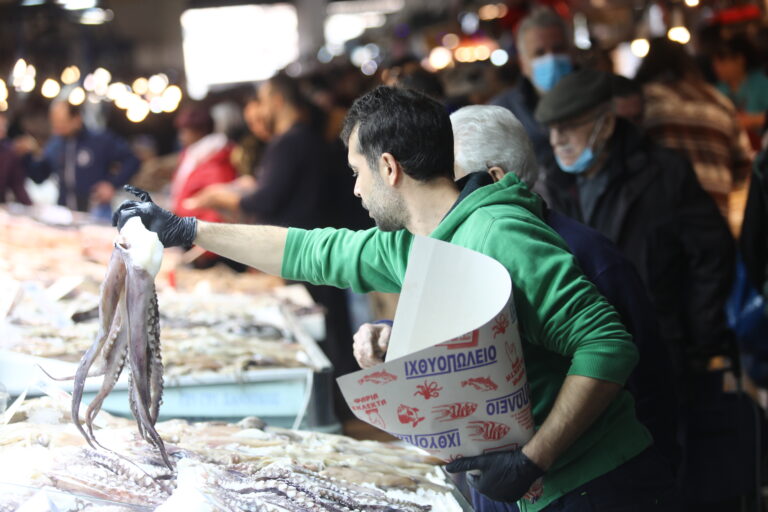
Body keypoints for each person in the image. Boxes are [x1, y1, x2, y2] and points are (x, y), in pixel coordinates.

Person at [115, 86, 677, 511]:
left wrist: (536, 457)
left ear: (390, 168)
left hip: (590, 483)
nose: (355, 189)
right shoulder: (415, 242)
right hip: (521, 485)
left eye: (358, 172)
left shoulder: (499, 234)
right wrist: (188, 230)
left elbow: (607, 345)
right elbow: (310, 252)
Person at [354, 105, 680, 480]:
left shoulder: (585, 254)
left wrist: (537, 459)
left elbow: (640, 376)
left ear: (494, 178)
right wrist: (393, 333)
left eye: (448, 179)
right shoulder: (461, 246)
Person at [535, 69, 735, 375]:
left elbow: (712, 255)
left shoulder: (664, 173)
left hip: (662, 349)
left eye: (569, 127)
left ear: (606, 124)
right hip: (590, 355)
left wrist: (700, 337)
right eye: (552, 129)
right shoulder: (549, 184)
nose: (556, 139)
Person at [635, 38, 754, 236]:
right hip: (716, 219)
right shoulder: (720, 101)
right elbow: (744, 166)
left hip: (661, 220)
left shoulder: (642, 102)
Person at [18, 101, 139, 218]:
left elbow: (132, 160)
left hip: (96, 211)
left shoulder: (100, 140)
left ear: (76, 119)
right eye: (54, 123)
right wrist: (26, 157)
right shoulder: (55, 145)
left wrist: (112, 184)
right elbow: (39, 177)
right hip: (64, 213)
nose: (57, 128)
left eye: (62, 123)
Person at [490, 7, 574, 171]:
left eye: (558, 49)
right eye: (539, 53)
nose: (551, 58)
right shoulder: (503, 113)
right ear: (523, 63)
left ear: (572, 52)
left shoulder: (599, 98)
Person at [170, 105, 237, 224]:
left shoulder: (216, 161)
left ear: (199, 131)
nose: (181, 136)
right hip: (186, 228)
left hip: (199, 234)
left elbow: (217, 213)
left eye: (185, 131)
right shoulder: (191, 157)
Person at [711, 34, 768, 148]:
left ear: (740, 60)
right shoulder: (717, 90)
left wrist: (753, 120)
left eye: (722, 61)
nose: (716, 67)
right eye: (715, 62)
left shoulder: (761, 82)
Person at [0, 111, 31, 205]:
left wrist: (31, 207)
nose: (2, 129)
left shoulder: (9, 153)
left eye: (4, 126)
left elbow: (18, 185)